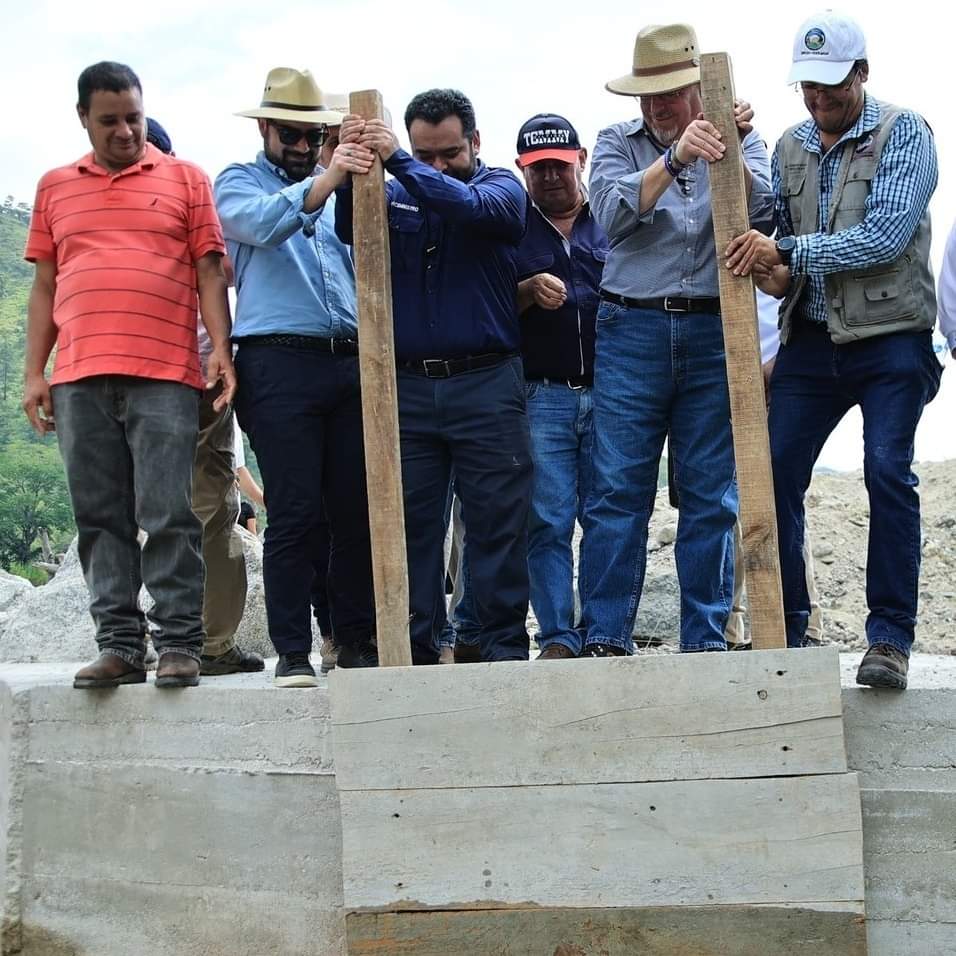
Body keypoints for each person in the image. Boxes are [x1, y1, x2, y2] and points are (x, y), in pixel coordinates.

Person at [725, 12, 942, 689]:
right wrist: (738, 155)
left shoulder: (907, 133)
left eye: (832, 88)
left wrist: (787, 251)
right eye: (808, 90)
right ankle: (788, 629)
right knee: (775, 474)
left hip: (892, 343)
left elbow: (882, 239)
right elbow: (781, 242)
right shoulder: (789, 146)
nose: (820, 102)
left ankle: (889, 639)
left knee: (886, 471)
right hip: (812, 345)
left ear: (863, 73)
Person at [22, 62, 235, 689]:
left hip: (166, 372)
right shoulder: (55, 186)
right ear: (84, 118)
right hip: (79, 374)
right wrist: (35, 372)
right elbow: (43, 286)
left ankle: (179, 644)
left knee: (169, 511)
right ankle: (118, 644)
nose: (124, 131)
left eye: (134, 118)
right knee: (99, 514)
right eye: (110, 120)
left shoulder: (186, 180)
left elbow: (210, 272)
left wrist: (219, 348)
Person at [580, 23, 773, 656]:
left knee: (710, 492)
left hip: (714, 328)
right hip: (630, 325)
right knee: (616, 489)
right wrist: (677, 157)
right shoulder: (615, 142)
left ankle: (706, 640)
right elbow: (608, 216)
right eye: (648, 97)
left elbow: (764, 216)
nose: (658, 108)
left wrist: (732, 151)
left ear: (699, 88)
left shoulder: (747, 139)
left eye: (671, 95)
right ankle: (606, 634)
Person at [336, 88, 532, 664]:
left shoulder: (502, 191)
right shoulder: (391, 195)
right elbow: (351, 228)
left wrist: (399, 161)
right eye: (426, 155)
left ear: (475, 141)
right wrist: (351, 167)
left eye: (449, 153)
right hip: (409, 386)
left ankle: (500, 649)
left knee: (498, 524)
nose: (438, 165)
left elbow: (472, 210)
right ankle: (416, 652)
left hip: (487, 383)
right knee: (411, 529)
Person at [214, 67, 377, 687]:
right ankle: (292, 651)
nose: (302, 143)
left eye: (312, 133)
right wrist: (325, 178)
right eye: (290, 132)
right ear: (264, 128)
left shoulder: (341, 186)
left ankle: (354, 639)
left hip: (346, 356)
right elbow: (258, 224)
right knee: (293, 509)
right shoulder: (237, 180)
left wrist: (343, 175)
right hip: (276, 358)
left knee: (353, 508)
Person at [145, 117, 264, 677]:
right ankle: (202, 643)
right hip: (183, 375)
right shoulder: (193, 207)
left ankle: (180, 642)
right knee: (207, 513)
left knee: (196, 512)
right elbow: (233, 270)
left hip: (179, 377)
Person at [512, 113, 607, 659]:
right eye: (538, 168)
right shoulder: (511, 226)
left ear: (581, 161)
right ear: (523, 169)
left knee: (605, 516)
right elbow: (490, 305)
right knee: (546, 519)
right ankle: (556, 636)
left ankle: (602, 631)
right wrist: (526, 290)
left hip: (611, 392)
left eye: (559, 166)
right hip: (541, 394)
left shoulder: (613, 219)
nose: (550, 177)